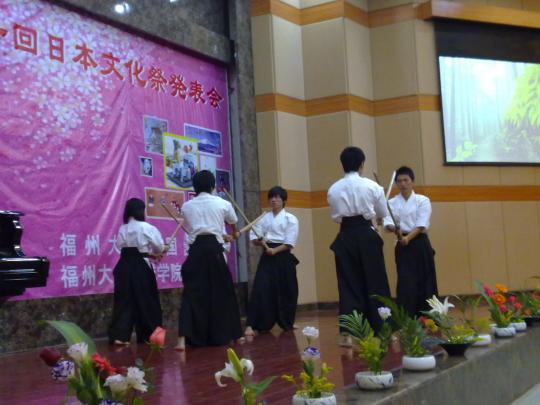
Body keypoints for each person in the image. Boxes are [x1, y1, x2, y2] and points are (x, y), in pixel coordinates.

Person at [327, 146, 391, 340]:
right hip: (366, 234)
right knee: (375, 281)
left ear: (342, 165)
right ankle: (382, 328)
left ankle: (350, 332)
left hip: (345, 235)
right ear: (362, 164)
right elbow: (382, 213)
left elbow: (336, 217)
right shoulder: (372, 186)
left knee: (348, 283)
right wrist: (376, 217)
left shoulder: (333, 189)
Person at [175, 170, 242, 350]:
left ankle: (182, 339)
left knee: (191, 293)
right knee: (224, 291)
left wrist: (224, 234)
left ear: (195, 187)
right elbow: (233, 224)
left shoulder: (187, 206)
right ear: (213, 186)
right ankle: (235, 336)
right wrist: (234, 234)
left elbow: (196, 227)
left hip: (196, 250)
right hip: (214, 250)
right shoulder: (223, 203)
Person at [108, 198, 167, 345]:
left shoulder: (123, 228)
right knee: (147, 300)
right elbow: (159, 247)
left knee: (124, 301)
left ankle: (120, 336)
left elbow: (124, 247)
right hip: (141, 267)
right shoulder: (147, 227)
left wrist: (150, 254)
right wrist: (162, 249)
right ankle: (150, 336)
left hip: (124, 266)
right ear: (141, 211)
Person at [244, 186, 300, 337]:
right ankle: (252, 324)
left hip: (283, 256)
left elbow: (289, 242)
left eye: (277, 197)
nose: (274, 200)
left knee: (288, 289)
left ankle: (287, 321)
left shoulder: (290, 219)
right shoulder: (263, 218)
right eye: (271, 197)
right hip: (267, 257)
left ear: (284, 201)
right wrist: (259, 241)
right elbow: (254, 238)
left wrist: (274, 251)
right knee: (261, 288)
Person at [383, 166, 438, 317]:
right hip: (402, 244)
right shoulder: (391, 203)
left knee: (426, 280)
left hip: (420, 242)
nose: (403, 184)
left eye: (406, 180)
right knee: (406, 281)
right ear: (396, 183)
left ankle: (429, 317)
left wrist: (408, 238)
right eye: (399, 181)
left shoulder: (422, 200)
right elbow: (387, 223)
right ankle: (407, 318)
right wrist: (396, 230)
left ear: (412, 181)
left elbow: (421, 223)